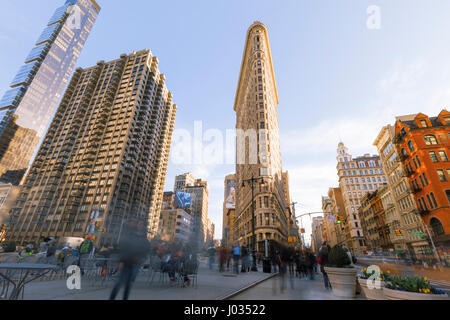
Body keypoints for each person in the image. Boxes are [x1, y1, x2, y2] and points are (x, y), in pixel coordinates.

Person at [109, 219, 150, 300]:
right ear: (137, 225)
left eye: (142, 224)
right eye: (139, 223)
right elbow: (124, 247)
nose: (140, 225)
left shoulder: (145, 239)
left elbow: (146, 250)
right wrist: (121, 260)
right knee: (119, 283)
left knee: (128, 285)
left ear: (144, 226)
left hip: (136, 264)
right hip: (126, 262)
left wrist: (142, 258)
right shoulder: (130, 235)